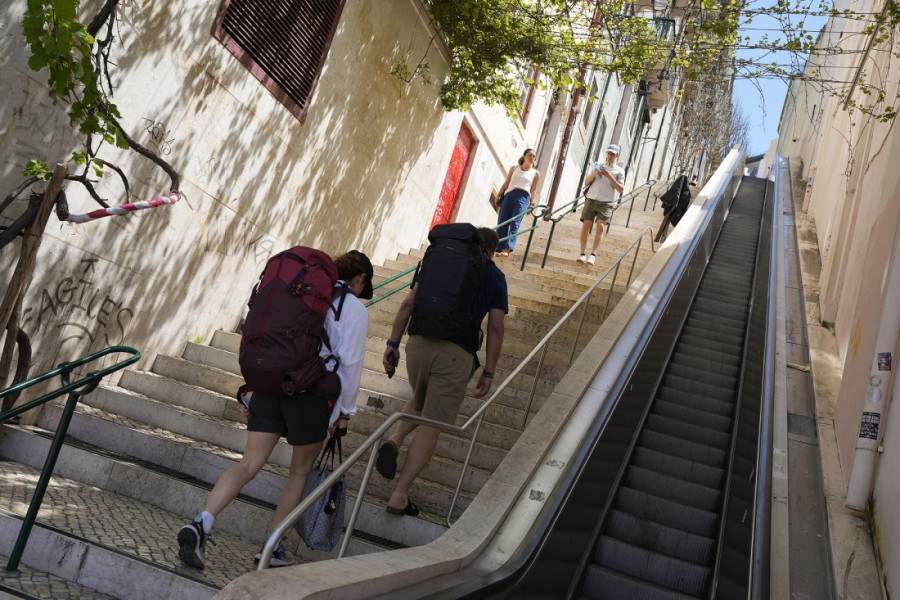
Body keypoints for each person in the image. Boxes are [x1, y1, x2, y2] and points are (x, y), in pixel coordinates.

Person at [177, 250, 372, 569]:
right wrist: (344, 412)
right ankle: (273, 547)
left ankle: (201, 523)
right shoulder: (352, 308)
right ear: (361, 279)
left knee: (247, 464)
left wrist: (254, 390)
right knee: (299, 472)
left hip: (271, 384)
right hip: (311, 393)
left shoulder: (298, 290)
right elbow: (350, 364)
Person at [377, 227, 507, 516]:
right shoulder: (494, 276)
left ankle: (394, 439)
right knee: (433, 422)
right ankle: (399, 496)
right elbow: (496, 327)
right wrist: (489, 371)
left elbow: (408, 303)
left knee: (420, 400)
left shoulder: (439, 262)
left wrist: (392, 343)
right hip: (455, 354)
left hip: (419, 344)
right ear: (490, 251)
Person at [577, 144, 625, 265]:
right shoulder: (598, 165)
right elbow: (587, 182)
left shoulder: (619, 171)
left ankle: (593, 255)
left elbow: (620, 189)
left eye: (612, 154)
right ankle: (582, 254)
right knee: (586, 225)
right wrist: (594, 173)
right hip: (592, 198)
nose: (609, 156)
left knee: (601, 227)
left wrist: (609, 176)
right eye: (608, 153)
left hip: (606, 201)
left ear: (617, 156)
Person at [495, 149, 540, 257]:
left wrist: (531, 204)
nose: (532, 158)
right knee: (502, 221)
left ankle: (507, 249)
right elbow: (507, 183)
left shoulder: (535, 174)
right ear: (524, 156)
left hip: (523, 198)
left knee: (515, 222)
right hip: (509, 195)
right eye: (530, 155)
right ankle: (499, 248)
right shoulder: (514, 168)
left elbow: (533, 190)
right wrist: (499, 194)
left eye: (534, 156)